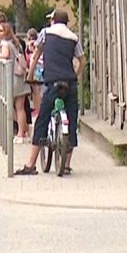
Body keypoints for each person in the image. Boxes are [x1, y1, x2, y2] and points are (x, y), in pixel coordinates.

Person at [16, 9, 83, 176]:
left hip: (52, 81)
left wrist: (30, 76)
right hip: (69, 82)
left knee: (43, 119)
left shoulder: (45, 33)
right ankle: (66, 164)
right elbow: (82, 60)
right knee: (72, 120)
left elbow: (35, 55)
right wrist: (75, 75)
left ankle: (31, 164)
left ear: (53, 21)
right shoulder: (74, 38)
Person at [0, 22, 30, 143]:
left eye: (0, 31)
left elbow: (5, 55)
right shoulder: (16, 43)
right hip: (20, 77)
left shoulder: (5, 43)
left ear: (6, 32)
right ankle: (23, 131)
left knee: (9, 107)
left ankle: (22, 131)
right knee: (20, 108)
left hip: (12, 78)